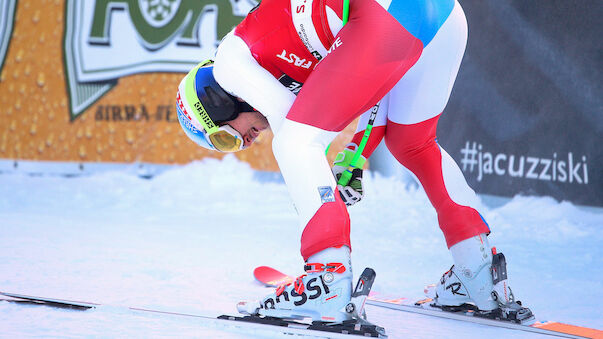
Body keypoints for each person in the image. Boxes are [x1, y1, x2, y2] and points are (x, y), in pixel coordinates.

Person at [176, 0, 532, 324]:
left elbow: (296, 132)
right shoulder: (282, 64)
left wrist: (322, 181)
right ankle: (478, 272)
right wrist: (357, 155)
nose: (244, 143)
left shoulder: (229, 63)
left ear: (216, 102)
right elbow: (381, 82)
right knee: (414, 143)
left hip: (386, 17)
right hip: (440, 16)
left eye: (226, 137)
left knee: (295, 142)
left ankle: (325, 279)